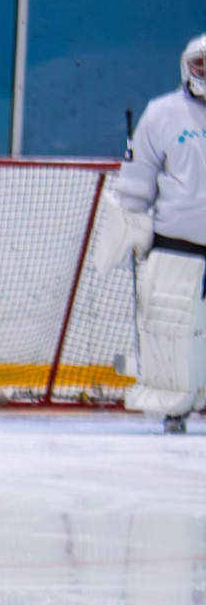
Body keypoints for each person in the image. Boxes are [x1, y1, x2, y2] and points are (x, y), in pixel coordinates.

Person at [115, 32, 206, 432]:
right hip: (176, 246)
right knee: (171, 333)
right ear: (186, 66)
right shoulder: (162, 113)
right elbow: (136, 182)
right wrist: (131, 230)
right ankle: (175, 409)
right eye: (200, 63)